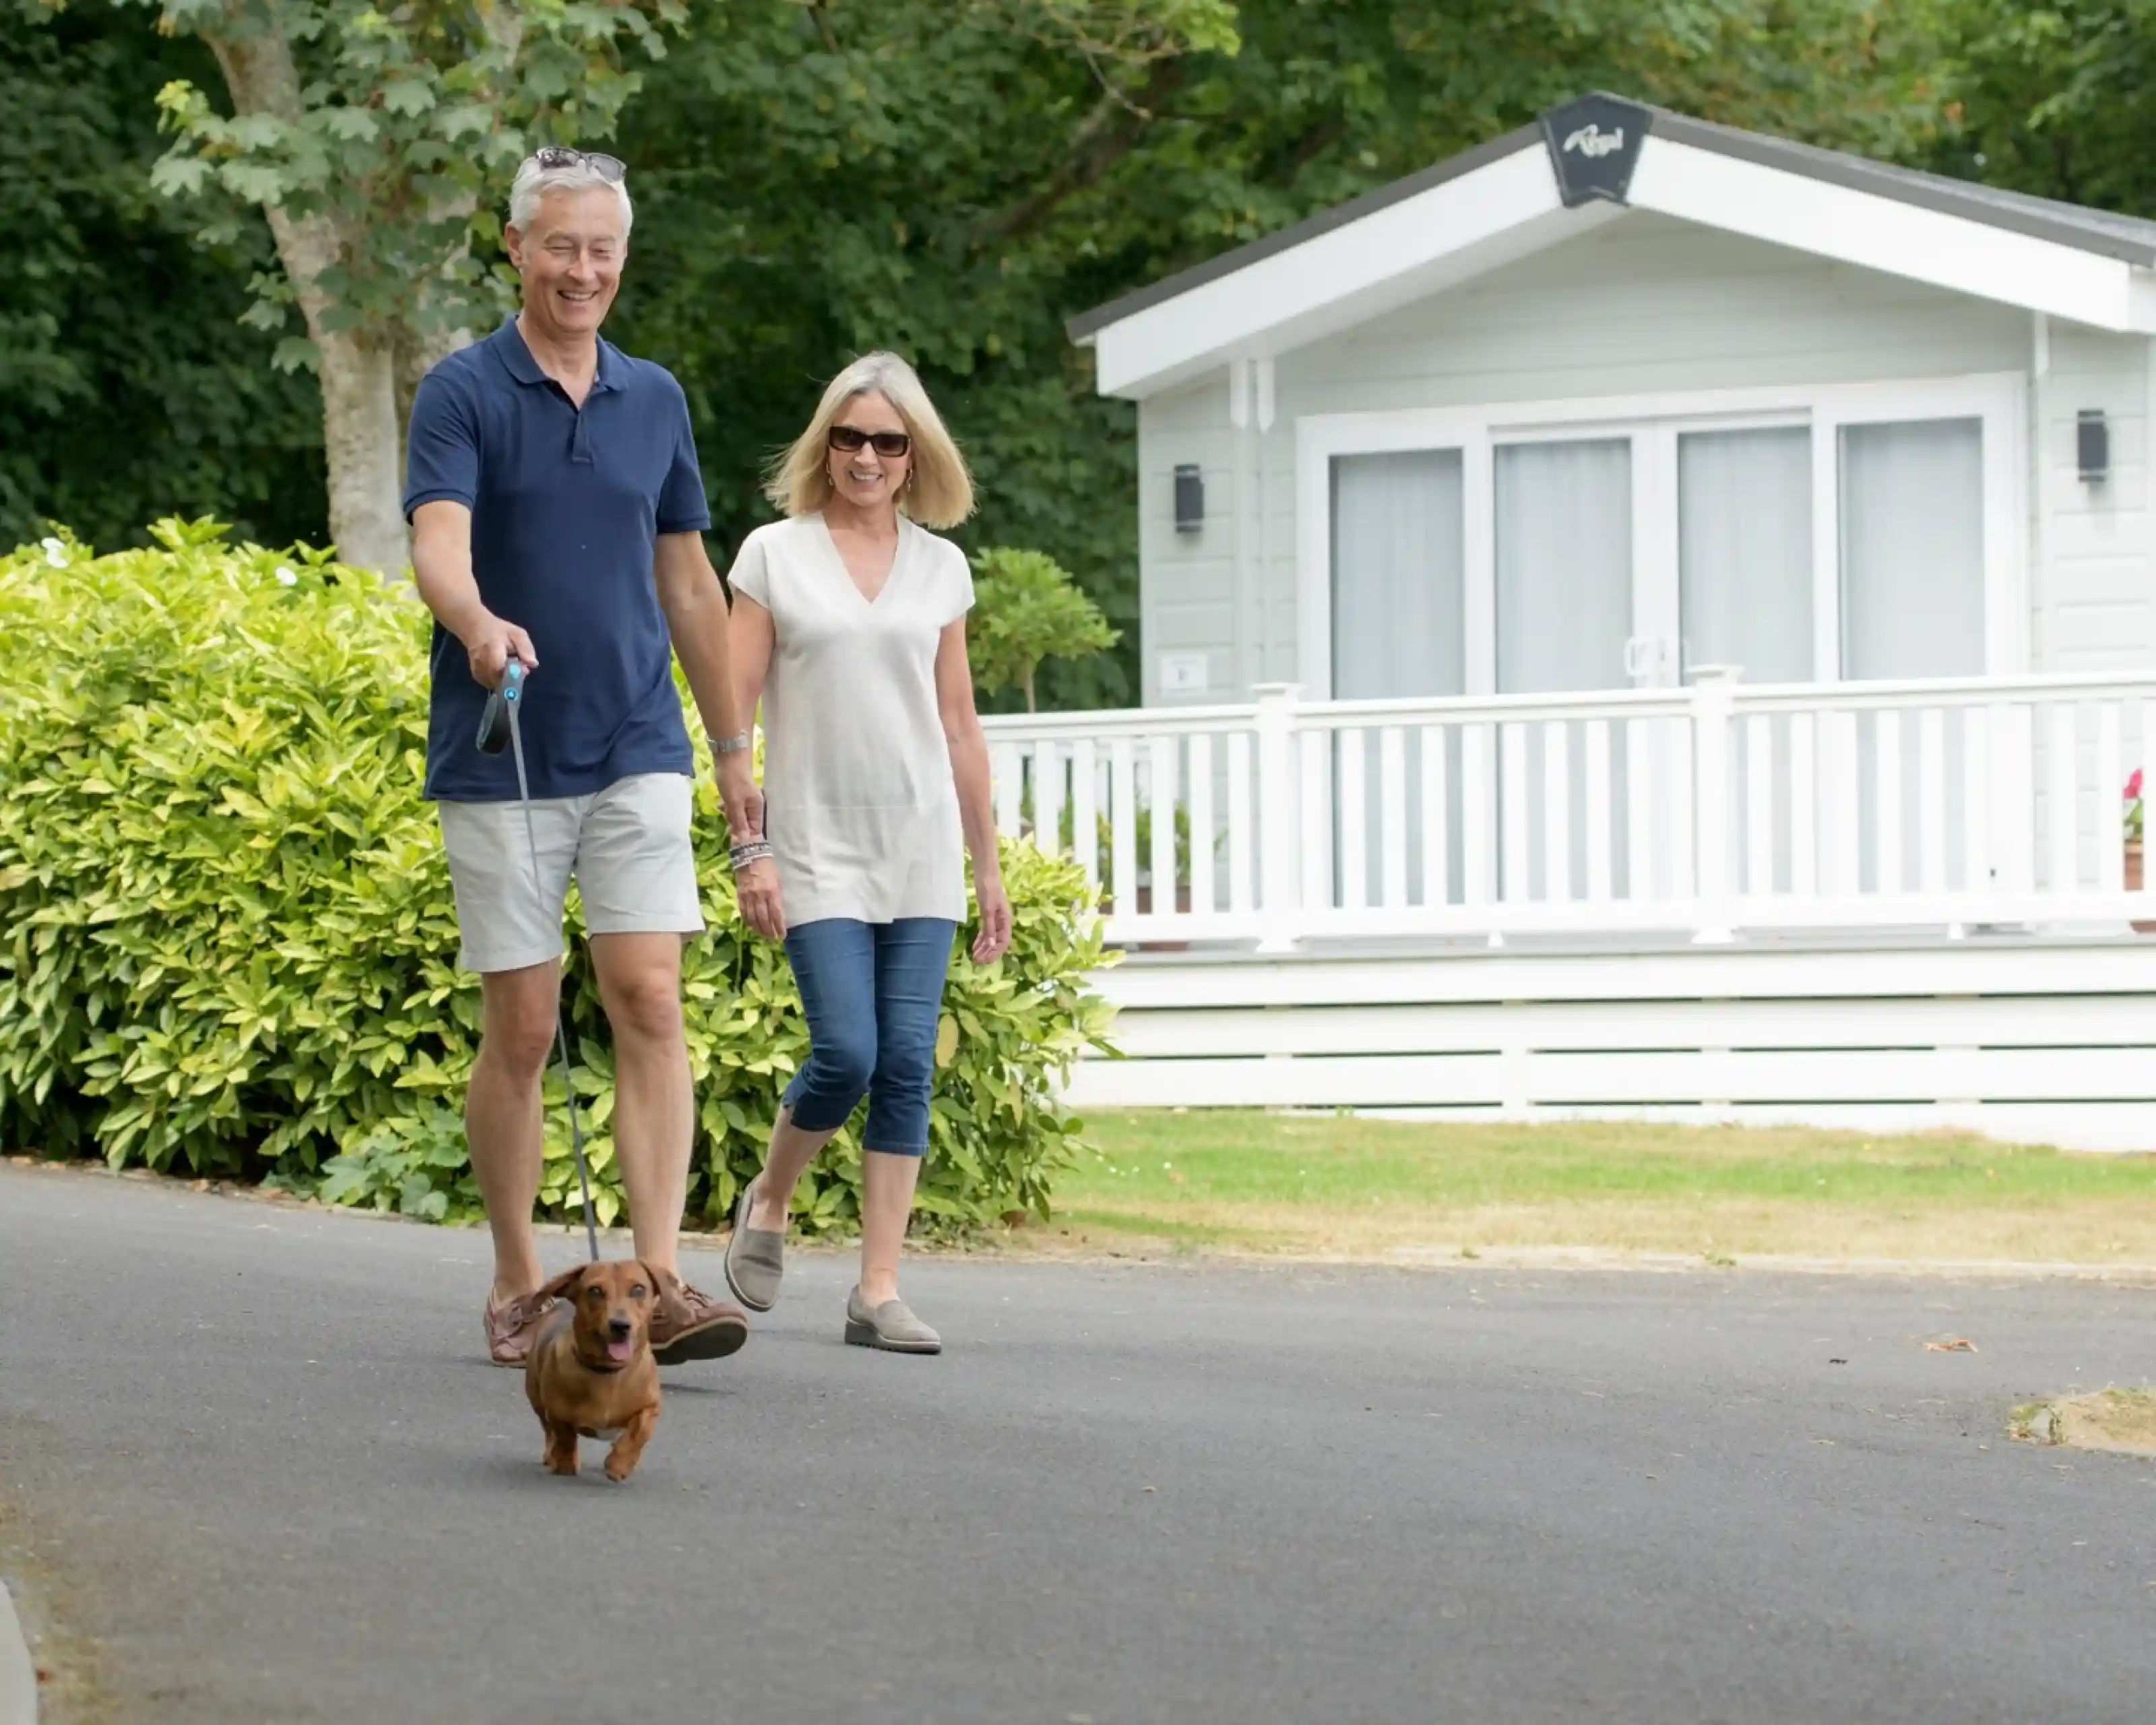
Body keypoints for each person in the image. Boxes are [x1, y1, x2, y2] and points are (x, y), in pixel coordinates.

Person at [404, 147, 756, 1369]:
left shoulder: (654, 396)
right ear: (516, 248)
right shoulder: (461, 390)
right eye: (562, 245)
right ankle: (516, 1277)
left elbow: (688, 580)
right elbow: (437, 547)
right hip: (502, 747)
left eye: (603, 250)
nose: (584, 270)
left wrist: (731, 744)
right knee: (526, 1027)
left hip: (635, 741)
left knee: (651, 996)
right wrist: (476, 623)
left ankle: (652, 1282)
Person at [720, 352, 1012, 1355]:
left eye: (889, 441)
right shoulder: (772, 556)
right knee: (846, 1049)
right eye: (850, 438)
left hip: (920, 845)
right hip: (816, 847)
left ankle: (877, 1291)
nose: (868, 457)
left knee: (906, 1069)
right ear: (825, 444)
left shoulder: (943, 568)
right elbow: (734, 712)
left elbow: (961, 725)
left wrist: (987, 866)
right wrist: (748, 846)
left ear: (914, 454)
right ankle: (771, 1195)